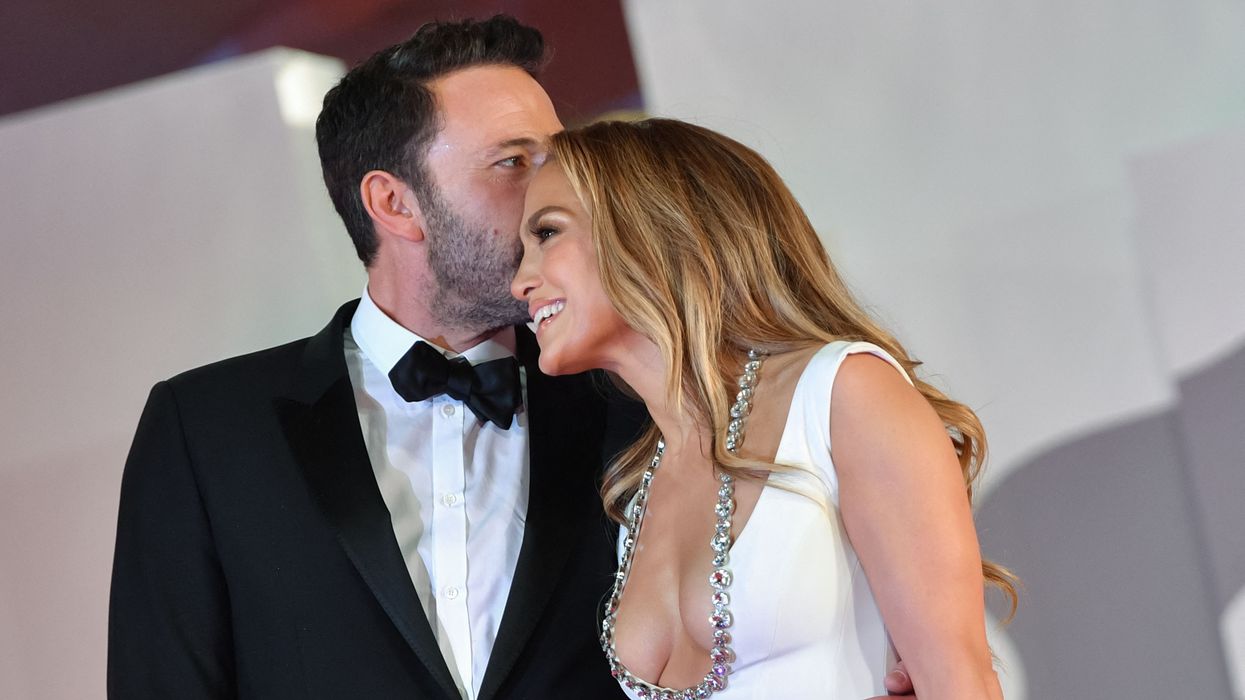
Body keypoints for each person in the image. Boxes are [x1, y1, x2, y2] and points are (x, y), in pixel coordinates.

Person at [107, 14, 921, 700]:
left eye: (555, 154)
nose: (556, 187)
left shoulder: (641, 400)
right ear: (393, 202)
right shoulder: (209, 427)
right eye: (513, 162)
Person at [511, 118, 1018, 699]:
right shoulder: (637, 485)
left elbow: (961, 683)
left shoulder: (839, 394)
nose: (520, 281)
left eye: (547, 233)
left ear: (649, 226)